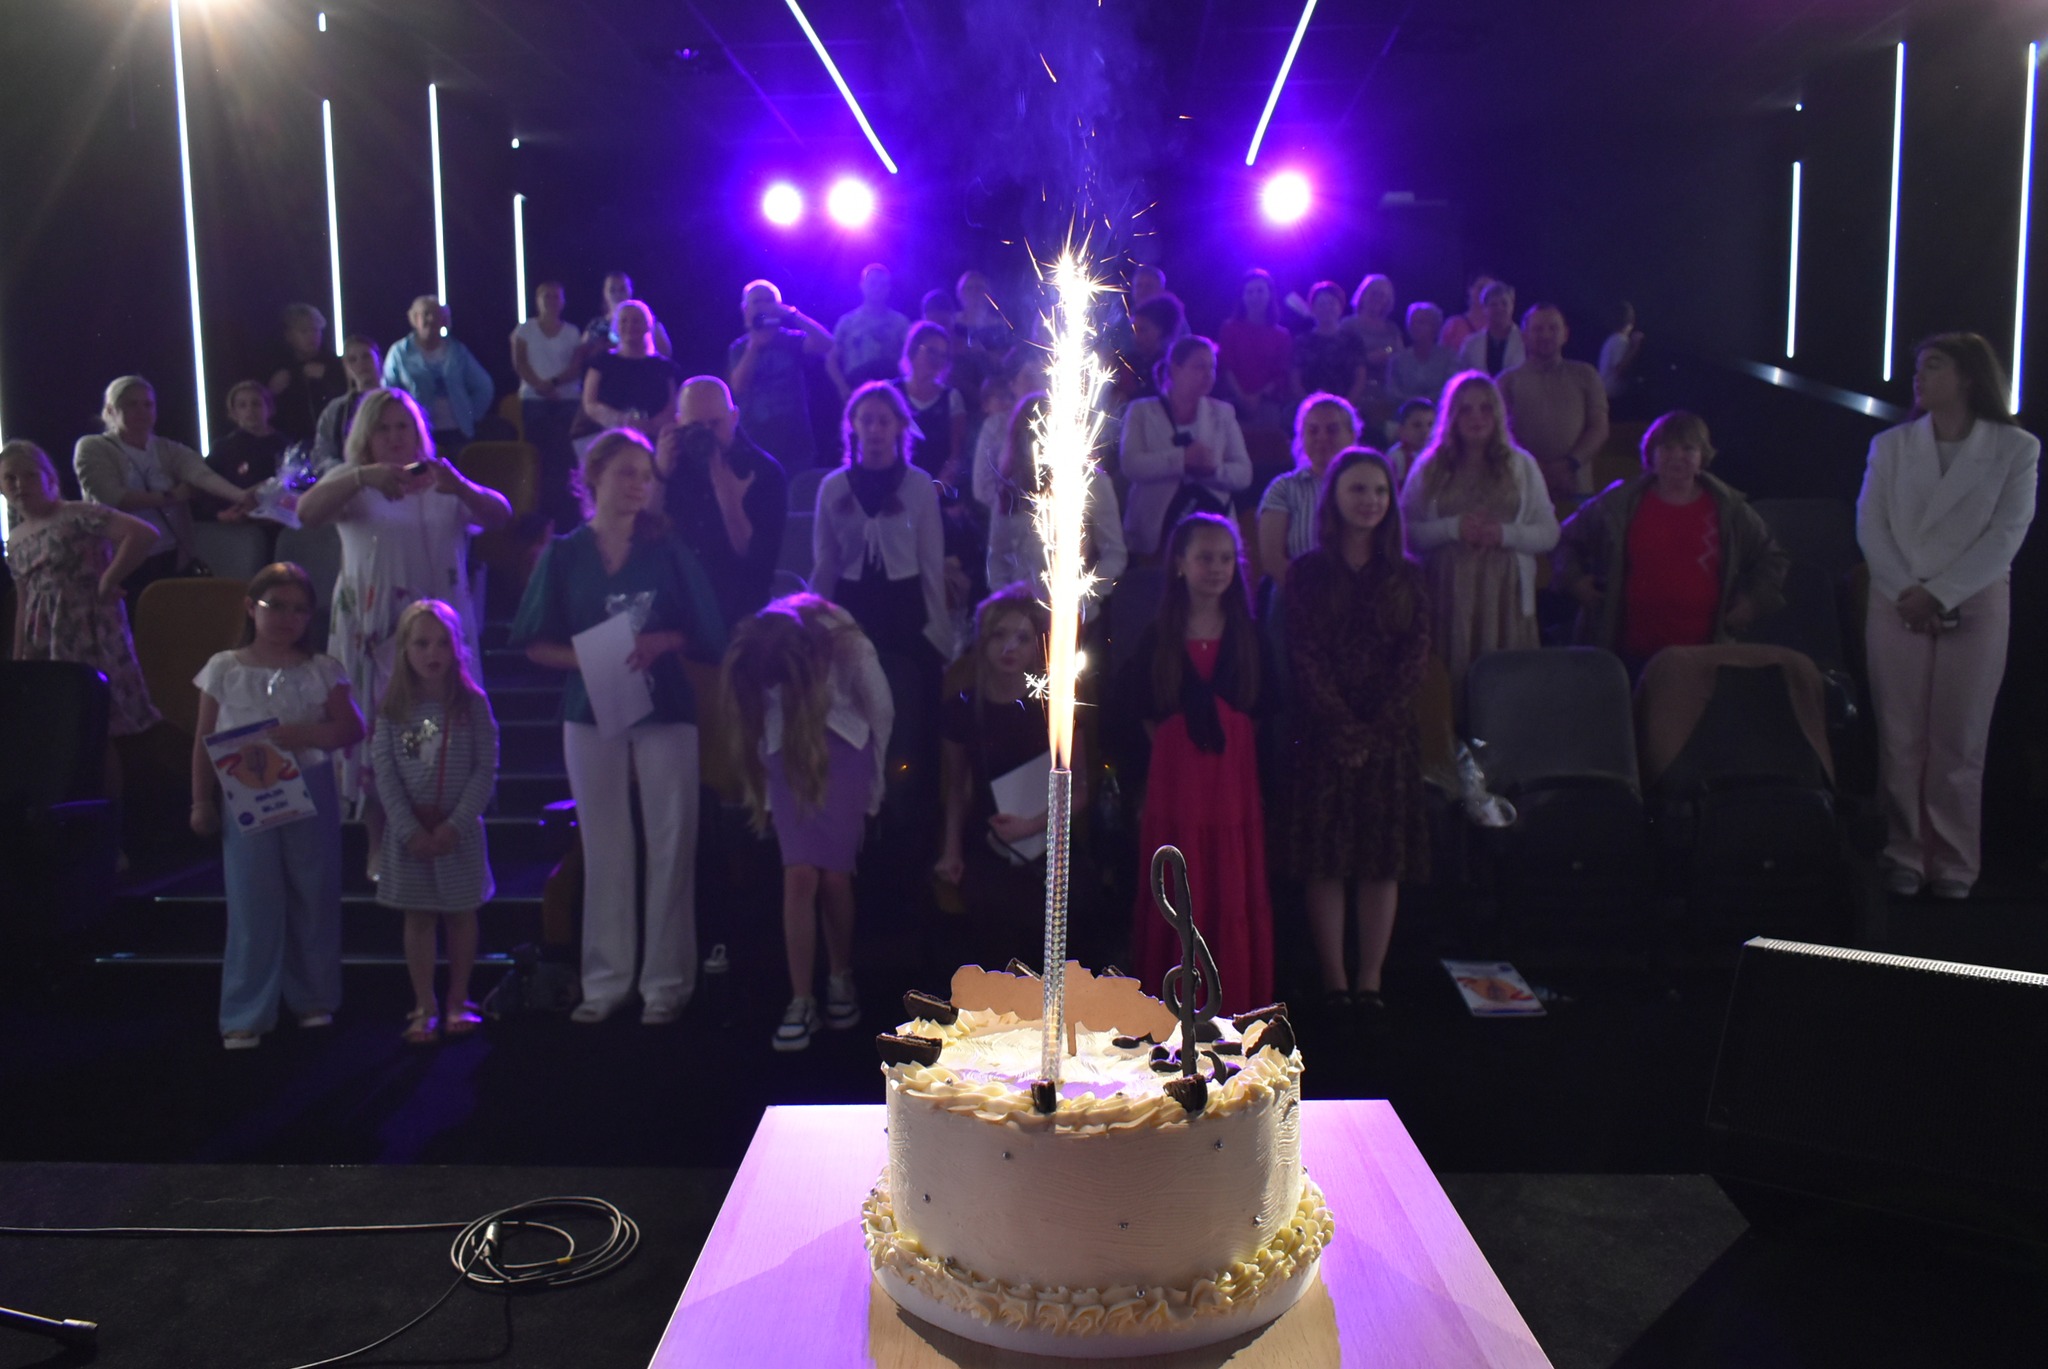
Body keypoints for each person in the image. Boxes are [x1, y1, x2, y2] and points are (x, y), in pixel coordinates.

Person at [511, 430, 728, 1024]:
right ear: (594, 477)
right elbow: (534, 642)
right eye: (627, 472)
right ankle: (605, 982)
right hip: (591, 705)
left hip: (663, 703)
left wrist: (663, 640)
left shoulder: (667, 547)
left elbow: (707, 629)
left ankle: (665, 983)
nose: (639, 485)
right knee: (604, 841)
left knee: (670, 839)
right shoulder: (566, 553)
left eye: (646, 476)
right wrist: (588, 658)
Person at [294, 389, 511, 865]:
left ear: (418, 432)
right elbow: (305, 514)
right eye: (383, 429)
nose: (395, 437)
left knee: (441, 731)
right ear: (366, 436)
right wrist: (360, 476)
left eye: (403, 427)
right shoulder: (351, 481)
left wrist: (461, 487)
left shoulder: (441, 481)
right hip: (373, 630)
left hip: (436, 633)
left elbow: (501, 515)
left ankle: (447, 837)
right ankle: (379, 843)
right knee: (379, 736)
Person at [1857, 333, 2039, 901]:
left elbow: (2007, 534)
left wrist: (1942, 594)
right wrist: (1908, 592)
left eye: (1933, 366)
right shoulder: (1891, 446)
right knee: (1901, 734)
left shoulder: (2016, 448)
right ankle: (1905, 851)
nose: (1919, 377)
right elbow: (1870, 525)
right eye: (1918, 367)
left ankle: (1955, 860)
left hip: (1975, 602)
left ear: (1967, 376)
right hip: (1898, 598)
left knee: (1960, 738)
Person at [1279, 448, 1430, 1018]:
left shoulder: (1409, 575)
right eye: (1358, 490)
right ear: (1335, 499)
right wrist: (1343, 727)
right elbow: (1305, 656)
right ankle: (1335, 981)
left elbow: (1415, 659)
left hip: (1389, 735)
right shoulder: (1307, 573)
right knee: (1327, 858)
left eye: (1380, 491)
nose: (1370, 500)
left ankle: (1370, 981)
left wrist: (1373, 729)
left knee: (1379, 860)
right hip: (1324, 734)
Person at [191, 562, 363, 1049]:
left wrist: (304, 734)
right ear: (251, 608)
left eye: (300, 610)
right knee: (252, 897)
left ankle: (314, 998)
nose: (289, 619)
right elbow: (203, 739)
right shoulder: (225, 667)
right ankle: (246, 1011)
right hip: (245, 790)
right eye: (277, 607)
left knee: (314, 891)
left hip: (308, 784)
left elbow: (351, 728)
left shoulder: (320, 668)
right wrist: (200, 801)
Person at [1114, 513, 1273, 1013]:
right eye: (1205, 558)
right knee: (1180, 880)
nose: (1217, 568)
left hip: (1230, 787)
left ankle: (1230, 999)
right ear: (1180, 564)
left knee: (1228, 883)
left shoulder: (1248, 635)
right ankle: (1172, 1002)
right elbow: (1135, 707)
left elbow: (1267, 707)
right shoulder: (1158, 637)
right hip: (1176, 787)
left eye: (1226, 558)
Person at [721, 593, 893, 1051]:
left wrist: (876, 783)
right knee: (799, 875)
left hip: (845, 750)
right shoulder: (762, 644)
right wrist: (767, 785)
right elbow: (762, 719)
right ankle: (801, 1000)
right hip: (787, 754)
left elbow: (881, 711)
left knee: (834, 877)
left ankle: (840, 978)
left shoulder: (850, 645)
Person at [1553, 411, 1787, 671]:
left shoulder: (1729, 509)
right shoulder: (1618, 504)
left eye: (1688, 448)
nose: (1677, 456)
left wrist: (1753, 602)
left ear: (1702, 456)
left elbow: (1772, 557)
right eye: (1667, 447)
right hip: (1625, 655)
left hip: (1704, 658)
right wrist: (1574, 580)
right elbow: (1564, 538)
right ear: (1651, 454)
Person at [3, 440, 162, 805]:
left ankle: (111, 818)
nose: (20, 485)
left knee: (96, 726)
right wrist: (19, 657)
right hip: (46, 637)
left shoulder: (76, 514)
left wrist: (109, 579)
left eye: (29, 476)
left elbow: (141, 534)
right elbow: (25, 600)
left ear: (49, 478)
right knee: (59, 728)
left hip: (88, 629)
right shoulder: (17, 538)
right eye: (10, 478)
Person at [372, 598, 498, 1045]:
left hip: (456, 832)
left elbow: (485, 768)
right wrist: (408, 829)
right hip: (411, 833)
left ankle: (458, 1000)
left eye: (443, 643)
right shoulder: (394, 708)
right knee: (420, 916)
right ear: (405, 649)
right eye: (422, 643)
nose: (433, 653)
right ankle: (424, 1004)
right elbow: (386, 771)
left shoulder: (473, 704)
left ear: (457, 648)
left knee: (461, 915)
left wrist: (455, 824)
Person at [934, 586, 1077, 969]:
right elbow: (957, 787)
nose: (1009, 647)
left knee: (1058, 906)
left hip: (1049, 839)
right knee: (991, 912)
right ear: (983, 641)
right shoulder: (963, 708)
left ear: (1037, 647)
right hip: (989, 838)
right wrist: (951, 850)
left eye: (1022, 638)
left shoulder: (1053, 708)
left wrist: (1032, 826)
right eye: (999, 635)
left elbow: (1078, 790)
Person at [1400, 371, 1558, 696]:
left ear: (1498, 413)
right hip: (1447, 595)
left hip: (1506, 596)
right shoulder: (1429, 466)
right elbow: (1406, 533)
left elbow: (1549, 532)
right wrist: (1452, 528)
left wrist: (1504, 534)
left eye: (1485, 408)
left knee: (1507, 691)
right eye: (1466, 409)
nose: (1476, 417)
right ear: (1452, 416)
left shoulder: (1522, 465)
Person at [74, 375, 254, 609]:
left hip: (169, 555)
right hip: (119, 561)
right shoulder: (92, 447)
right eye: (132, 404)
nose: (142, 411)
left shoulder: (167, 448)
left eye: (148, 404)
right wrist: (171, 496)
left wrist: (242, 496)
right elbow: (112, 497)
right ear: (111, 410)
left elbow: (203, 476)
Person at [812, 382, 951, 667]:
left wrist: (939, 628)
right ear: (853, 424)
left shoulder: (919, 485)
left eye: (884, 421)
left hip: (905, 607)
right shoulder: (833, 487)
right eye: (867, 420)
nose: (875, 429)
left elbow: (931, 562)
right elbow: (825, 562)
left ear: (899, 425)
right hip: (852, 605)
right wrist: (813, 623)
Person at [658, 376, 788, 629]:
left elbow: (758, 568)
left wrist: (728, 497)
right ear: (679, 423)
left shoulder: (763, 472)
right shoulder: (671, 465)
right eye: (696, 426)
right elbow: (643, 536)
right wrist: (659, 475)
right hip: (679, 613)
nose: (707, 434)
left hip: (739, 616)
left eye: (715, 423)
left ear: (734, 417)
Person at [985, 392, 1127, 608]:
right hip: (1021, 613)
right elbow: (997, 556)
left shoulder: (1092, 482)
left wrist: (1079, 597)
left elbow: (1114, 553)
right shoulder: (1011, 487)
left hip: (1074, 612)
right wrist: (1007, 597)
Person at [1119, 335, 1253, 559]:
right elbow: (1130, 465)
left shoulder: (1223, 413)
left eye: (1212, 367)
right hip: (1153, 530)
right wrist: (1182, 460)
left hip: (1212, 524)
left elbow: (1244, 475)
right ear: (1175, 369)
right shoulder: (1141, 411)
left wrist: (1213, 470)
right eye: (1200, 367)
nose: (1208, 375)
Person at [1498, 304, 1610, 503]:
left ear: (1565, 334)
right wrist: (1536, 468)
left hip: (1577, 487)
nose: (1546, 334)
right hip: (1524, 487)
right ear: (1524, 336)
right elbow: (1502, 434)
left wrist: (1569, 465)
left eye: (1553, 328)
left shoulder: (1586, 375)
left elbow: (1600, 428)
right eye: (1538, 329)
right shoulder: (1506, 382)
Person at [728, 279, 832, 470]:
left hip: (796, 445)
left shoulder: (790, 340)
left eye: (769, 301)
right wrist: (754, 346)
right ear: (745, 309)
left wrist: (793, 314)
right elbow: (738, 387)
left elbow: (827, 344)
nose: (763, 306)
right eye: (757, 302)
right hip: (756, 446)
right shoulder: (739, 348)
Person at [1257, 392, 1361, 578]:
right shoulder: (1283, 488)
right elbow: (1273, 560)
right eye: (1313, 431)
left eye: (1332, 430)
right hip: (1297, 589)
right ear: (1301, 437)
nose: (1322, 437)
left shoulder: (1367, 486)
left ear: (1352, 436)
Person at [512, 280, 589, 530]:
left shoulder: (572, 332)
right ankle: (540, 514)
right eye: (546, 296)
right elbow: (520, 363)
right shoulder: (525, 329)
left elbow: (576, 365)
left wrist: (554, 384)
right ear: (538, 300)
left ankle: (567, 516)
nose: (551, 301)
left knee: (566, 458)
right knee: (540, 457)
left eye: (556, 296)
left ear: (563, 301)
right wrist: (540, 386)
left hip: (567, 399)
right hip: (534, 400)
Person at [382, 296, 496, 451]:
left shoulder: (457, 350)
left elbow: (484, 386)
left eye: (436, 314)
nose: (431, 319)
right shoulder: (399, 352)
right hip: (418, 431)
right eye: (426, 314)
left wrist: (470, 414)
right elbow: (388, 390)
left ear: (444, 321)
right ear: (415, 319)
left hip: (458, 432)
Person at [576, 300, 679, 450]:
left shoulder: (665, 367)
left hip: (653, 443)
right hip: (605, 441)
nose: (630, 325)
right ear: (616, 326)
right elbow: (590, 403)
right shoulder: (600, 362)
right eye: (624, 321)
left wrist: (648, 426)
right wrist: (620, 421)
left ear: (648, 325)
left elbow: (672, 407)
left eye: (636, 321)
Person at [1216, 269, 1294, 468]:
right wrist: (1242, 397)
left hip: (1267, 402)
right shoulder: (1230, 329)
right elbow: (1226, 366)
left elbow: (1281, 373)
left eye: (1260, 291)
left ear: (1269, 294)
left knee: (1266, 455)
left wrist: (1257, 397)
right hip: (1233, 400)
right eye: (1249, 292)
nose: (1255, 296)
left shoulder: (1282, 335)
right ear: (1242, 296)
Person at [892, 321, 968, 484]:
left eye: (942, 355)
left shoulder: (952, 398)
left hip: (937, 488)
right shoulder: (891, 392)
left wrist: (936, 489)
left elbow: (956, 454)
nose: (937, 360)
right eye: (931, 352)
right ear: (913, 349)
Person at [268, 303, 350, 445]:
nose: (312, 336)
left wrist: (329, 377)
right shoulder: (277, 367)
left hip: (334, 438)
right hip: (291, 441)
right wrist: (270, 392)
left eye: (316, 330)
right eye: (304, 331)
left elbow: (349, 397)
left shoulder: (335, 364)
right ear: (289, 336)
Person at [830, 263, 912, 397]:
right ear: (862, 285)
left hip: (892, 390)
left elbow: (911, 356)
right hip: (856, 389)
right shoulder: (847, 323)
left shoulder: (901, 323)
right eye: (872, 283)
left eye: (882, 285)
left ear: (889, 288)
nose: (877, 288)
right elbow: (831, 359)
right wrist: (842, 388)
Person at [311, 336, 384, 474]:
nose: (361, 363)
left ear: (378, 360)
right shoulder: (335, 410)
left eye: (366, 356)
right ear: (346, 368)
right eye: (353, 360)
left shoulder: (399, 402)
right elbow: (322, 454)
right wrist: (349, 472)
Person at [1292, 281, 1368, 409]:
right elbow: (1295, 380)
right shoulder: (1302, 341)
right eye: (1321, 304)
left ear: (1340, 307)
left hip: (1346, 407)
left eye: (1331, 303)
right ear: (1312, 308)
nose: (1327, 308)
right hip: (1310, 409)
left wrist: (1345, 406)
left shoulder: (1353, 340)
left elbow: (1360, 378)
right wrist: (1311, 407)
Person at [1107, 292, 1188, 413]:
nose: (1136, 336)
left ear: (1161, 330)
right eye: (1134, 330)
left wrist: (1134, 392)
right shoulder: (1127, 362)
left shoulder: (1170, 369)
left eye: (1143, 330)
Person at [206, 380, 289, 493]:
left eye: (256, 404)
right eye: (242, 405)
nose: (250, 410)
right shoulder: (223, 448)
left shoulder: (284, 446)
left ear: (269, 408)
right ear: (233, 413)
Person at [584, 271, 675, 358]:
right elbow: (581, 355)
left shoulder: (649, 322)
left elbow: (665, 353)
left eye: (622, 289)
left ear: (630, 290)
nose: (618, 294)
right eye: (612, 290)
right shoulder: (595, 325)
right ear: (604, 293)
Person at [1387, 302, 1460, 409]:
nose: (1416, 326)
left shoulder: (1449, 358)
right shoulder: (1397, 360)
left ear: (1435, 326)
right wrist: (1412, 405)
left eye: (1422, 322)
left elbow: (1450, 389)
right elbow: (1392, 392)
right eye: (1413, 322)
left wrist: (1426, 404)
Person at [1341, 273, 1402, 392]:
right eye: (1374, 294)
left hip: (1387, 390)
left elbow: (1401, 359)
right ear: (1363, 295)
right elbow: (1340, 358)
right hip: (1353, 388)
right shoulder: (1348, 325)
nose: (1377, 299)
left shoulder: (1392, 329)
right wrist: (1365, 360)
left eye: (1382, 295)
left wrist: (1389, 358)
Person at [1456, 281, 1525, 377]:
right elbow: (1461, 374)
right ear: (1484, 308)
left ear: (1512, 306)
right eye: (1494, 304)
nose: (1499, 308)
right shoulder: (1471, 344)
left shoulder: (1525, 340)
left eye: (1504, 303)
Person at [1383, 398, 1436, 490]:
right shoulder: (1396, 457)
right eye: (1417, 425)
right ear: (1402, 430)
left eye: (1430, 424)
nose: (1425, 431)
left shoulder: (1438, 455)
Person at [1439, 273, 1499, 354]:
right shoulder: (1453, 325)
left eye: (1489, 291)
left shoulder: (1499, 327)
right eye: (1480, 288)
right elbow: (1441, 356)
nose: (1484, 294)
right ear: (1470, 290)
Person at [1598, 301, 1645, 402]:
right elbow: (1619, 370)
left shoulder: (1612, 339)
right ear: (1631, 322)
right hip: (1613, 397)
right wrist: (1635, 346)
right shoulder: (1619, 340)